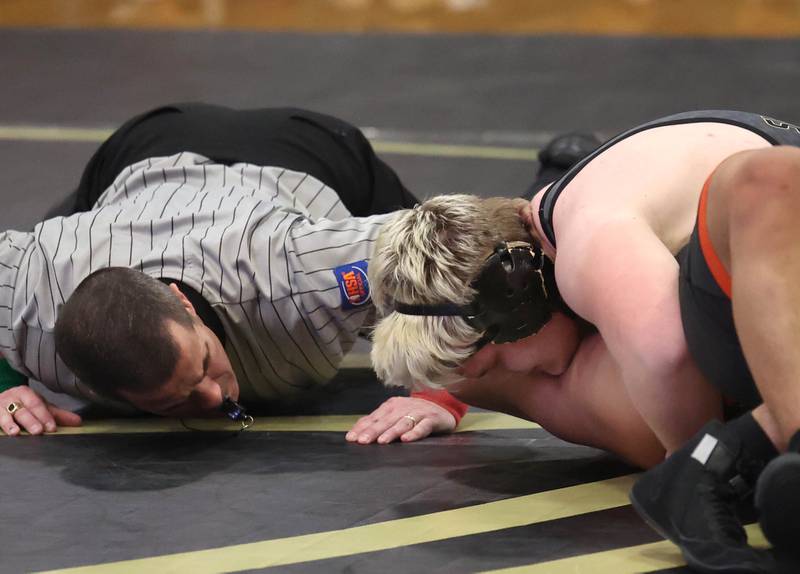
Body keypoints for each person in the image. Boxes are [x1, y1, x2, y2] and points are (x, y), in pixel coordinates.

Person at [367, 110, 800, 572]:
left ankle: (715, 463)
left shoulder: (589, 236)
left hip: (753, 269)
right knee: (766, 179)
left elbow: (665, 354)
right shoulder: (583, 234)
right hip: (752, 276)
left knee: (766, 181)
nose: (515, 374)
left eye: (494, 360)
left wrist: (698, 461)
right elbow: (664, 355)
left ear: (517, 303)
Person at [0, 102, 442, 436]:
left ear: (181, 303)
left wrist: (440, 397)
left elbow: (462, 254)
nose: (215, 397)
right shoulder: (38, 303)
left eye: (204, 365)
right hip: (137, 168)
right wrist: (5, 384)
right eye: (174, 403)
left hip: (300, 151)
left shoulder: (296, 276)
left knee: (408, 304)